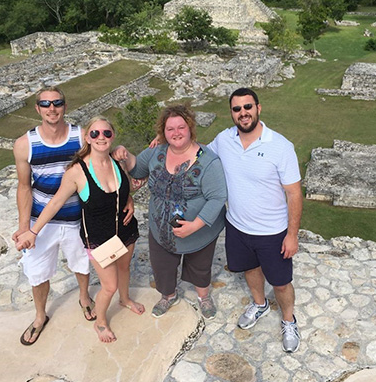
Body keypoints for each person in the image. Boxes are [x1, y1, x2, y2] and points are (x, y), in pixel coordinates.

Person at [12, 87, 133, 346]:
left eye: (57, 102)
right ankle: (39, 316)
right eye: (45, 103)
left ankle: (85, 298)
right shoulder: (24, 145)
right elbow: (24, 187)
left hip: (78, 219)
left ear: (65, 106)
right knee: (38, 272)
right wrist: (26, 229)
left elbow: (108, 163)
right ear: (38, 108)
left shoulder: (81, 135)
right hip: (43, 219)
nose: (51, 108)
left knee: (81, 265)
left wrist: (128, 195)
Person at [207, 87, 303, 353]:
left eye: (248, 107)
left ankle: (288, 320)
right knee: (250, 270)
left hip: (272, 231)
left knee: (281, 282)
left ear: (258, 108)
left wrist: (292, 235)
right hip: (237, 226)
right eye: (237, 109)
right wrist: (163, 140)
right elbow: (198, 154)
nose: (243, 113)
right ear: (232, 113)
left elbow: (294, 193)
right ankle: (260, 304)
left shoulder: (280, 146)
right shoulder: (224, 139)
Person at [114, 105, 227, 320]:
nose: (176, 133)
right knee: (162, 265)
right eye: (170, 129)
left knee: (200, 265)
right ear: (163, 131)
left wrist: (195, 225)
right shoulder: (157, 152)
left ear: (190, 128)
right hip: (161, 228)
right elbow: (137, 169)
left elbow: (218, 197)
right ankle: (168, 295)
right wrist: (124, 153)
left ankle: (203, 297)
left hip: (199, 230)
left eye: (181, 127)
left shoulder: (208, 160)